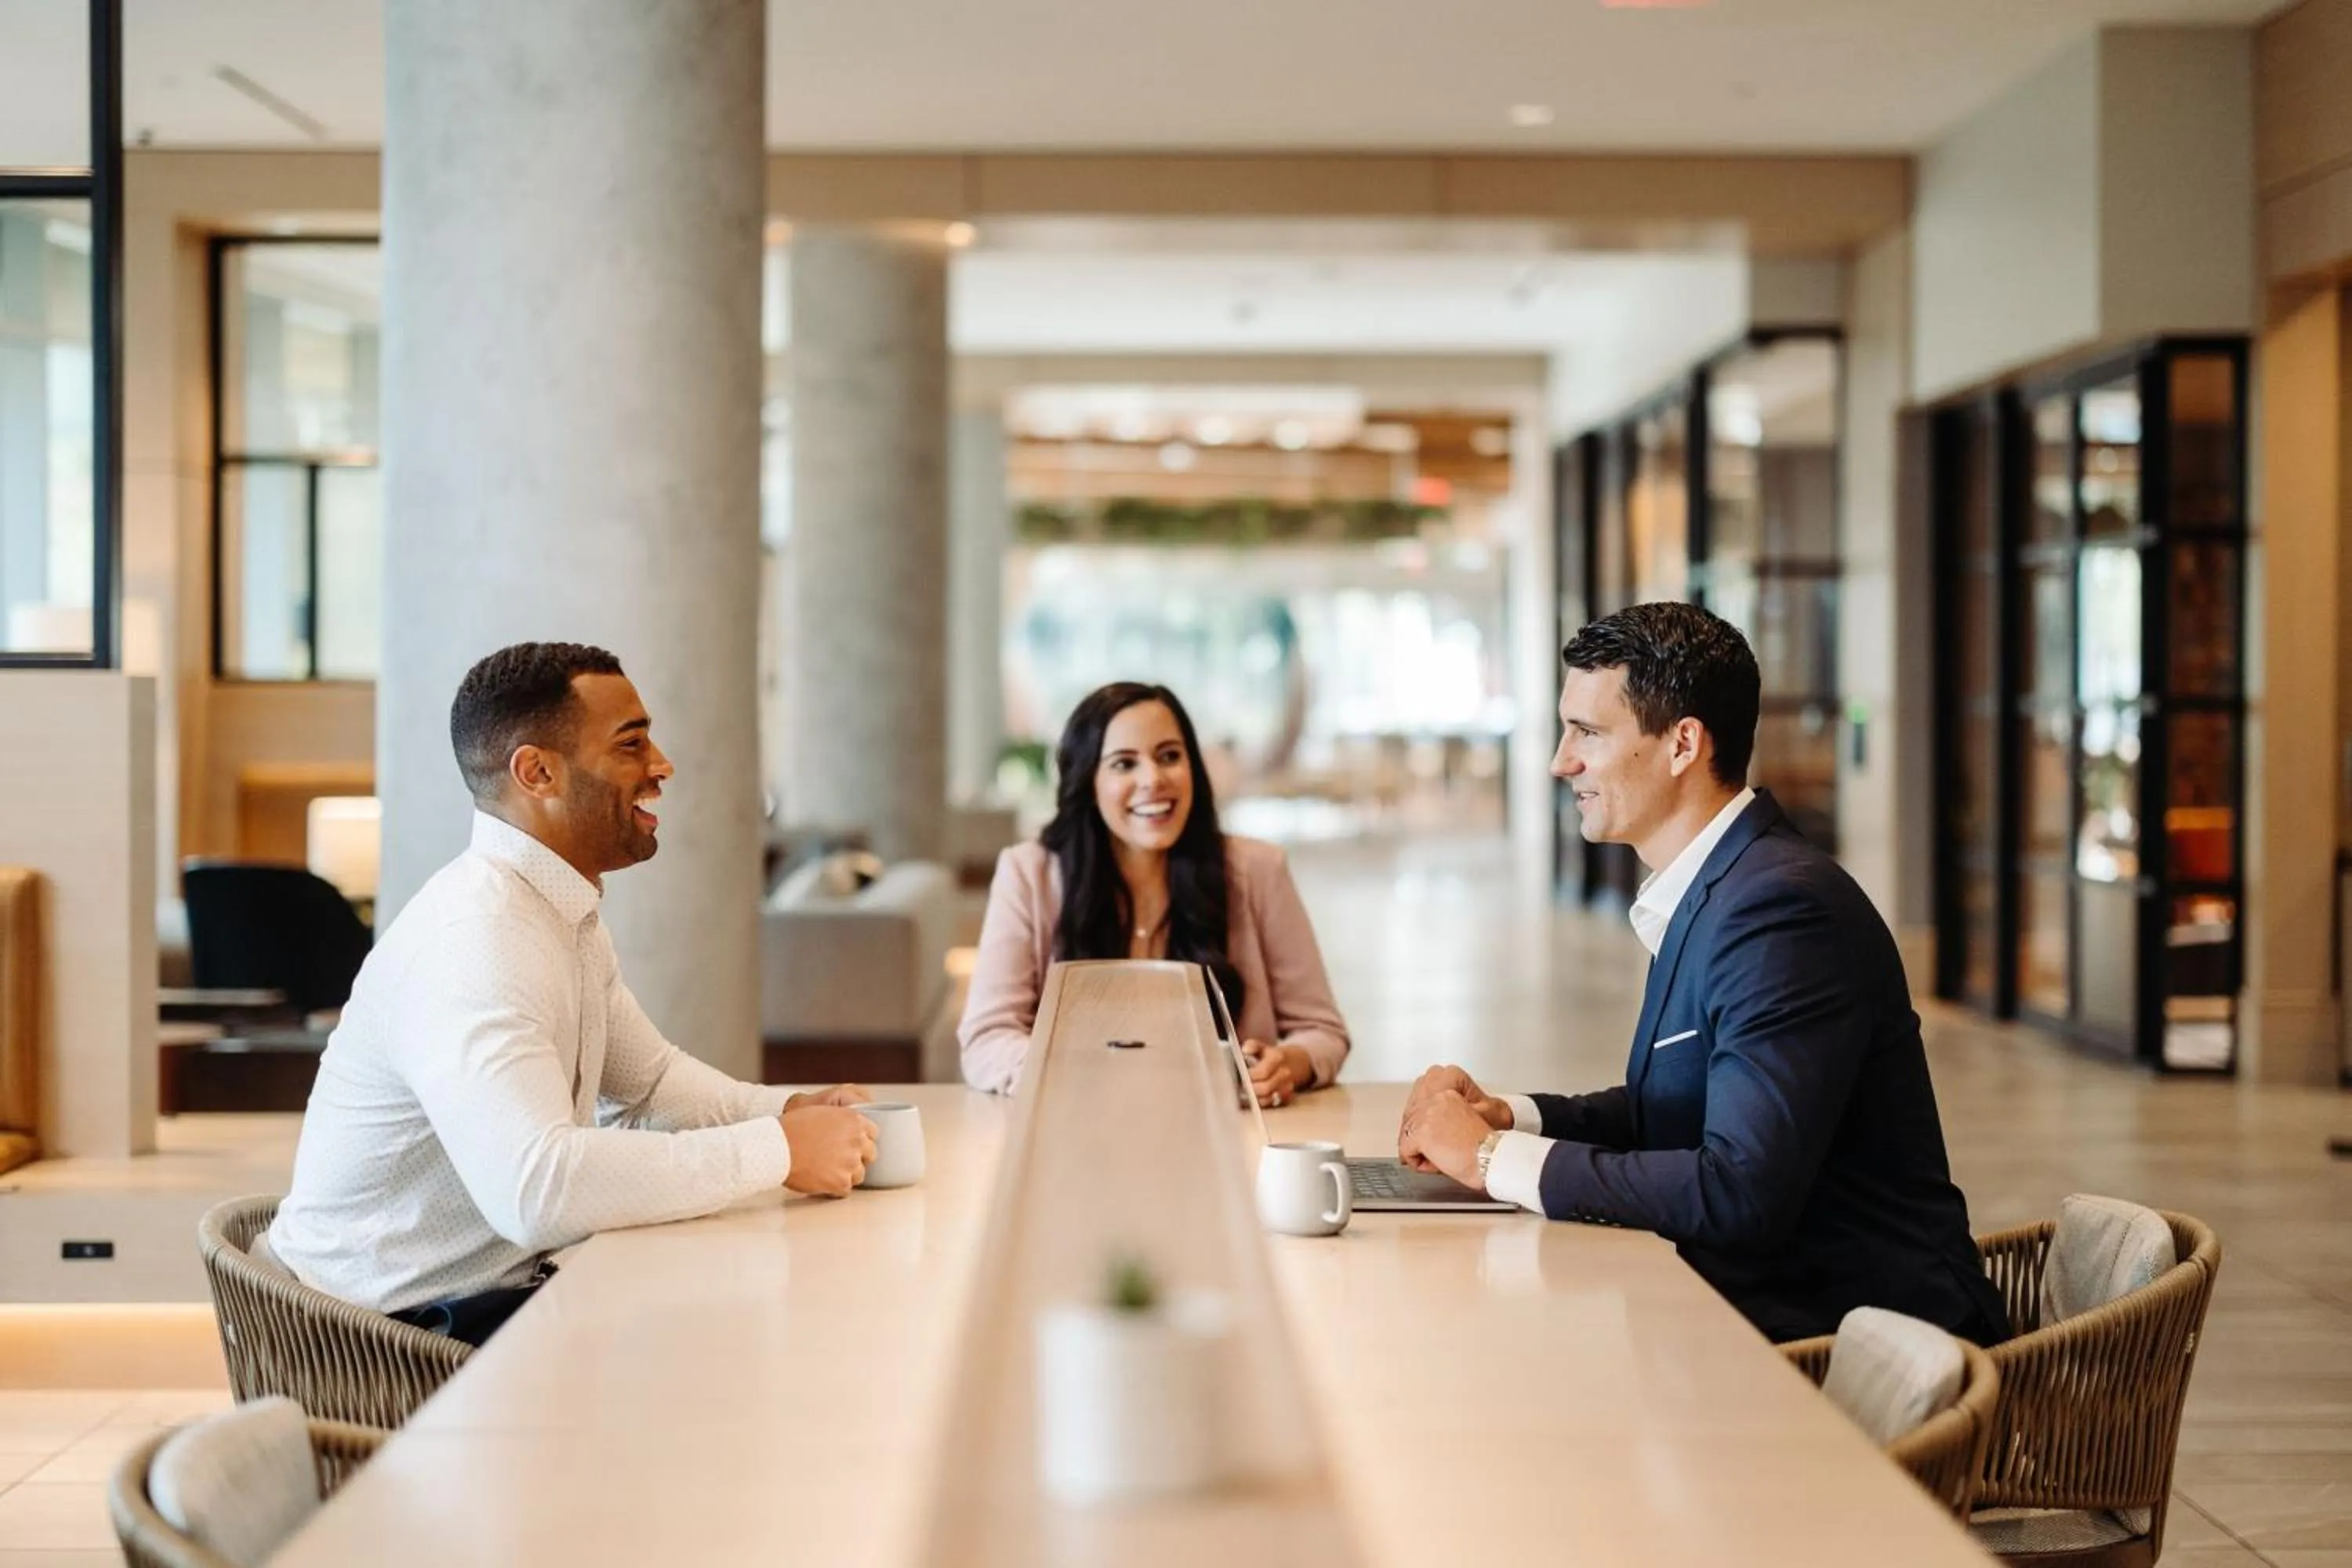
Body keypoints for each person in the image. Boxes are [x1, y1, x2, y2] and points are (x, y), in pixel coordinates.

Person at [1397, 604, 2008, 1345]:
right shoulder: (1719, 885)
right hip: (1764, 1324)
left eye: (1587, 732)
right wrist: (1511, 1116)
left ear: (1683, 743)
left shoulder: (1781, 911)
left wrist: (1492, 1160)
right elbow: (1677, 1105)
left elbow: (1739, 1191)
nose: (1562, 762)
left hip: (1863, 1358)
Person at [267, 643, 877, 1345]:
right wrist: (776, 1150)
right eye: (631, 745)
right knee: (746, 1334)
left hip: (498, 1299)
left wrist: (791, 1111)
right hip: (389, 1339)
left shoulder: (560, 913)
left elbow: (650, 1087)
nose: (662, 765)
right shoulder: (477, 940)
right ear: (537, 772)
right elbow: (538, 1188)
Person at [960, 681, 1349, 1101]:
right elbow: (988, 1037)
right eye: (1124, 764)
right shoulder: (1028, 874)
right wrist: (1071, 1078)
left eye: (1169, 757)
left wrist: (1286, 1064)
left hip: (1230, 1137)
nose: (1153, 780)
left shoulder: (1258, 869)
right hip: (1078, 1136)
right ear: (1088, 781)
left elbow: (1322, 1031)